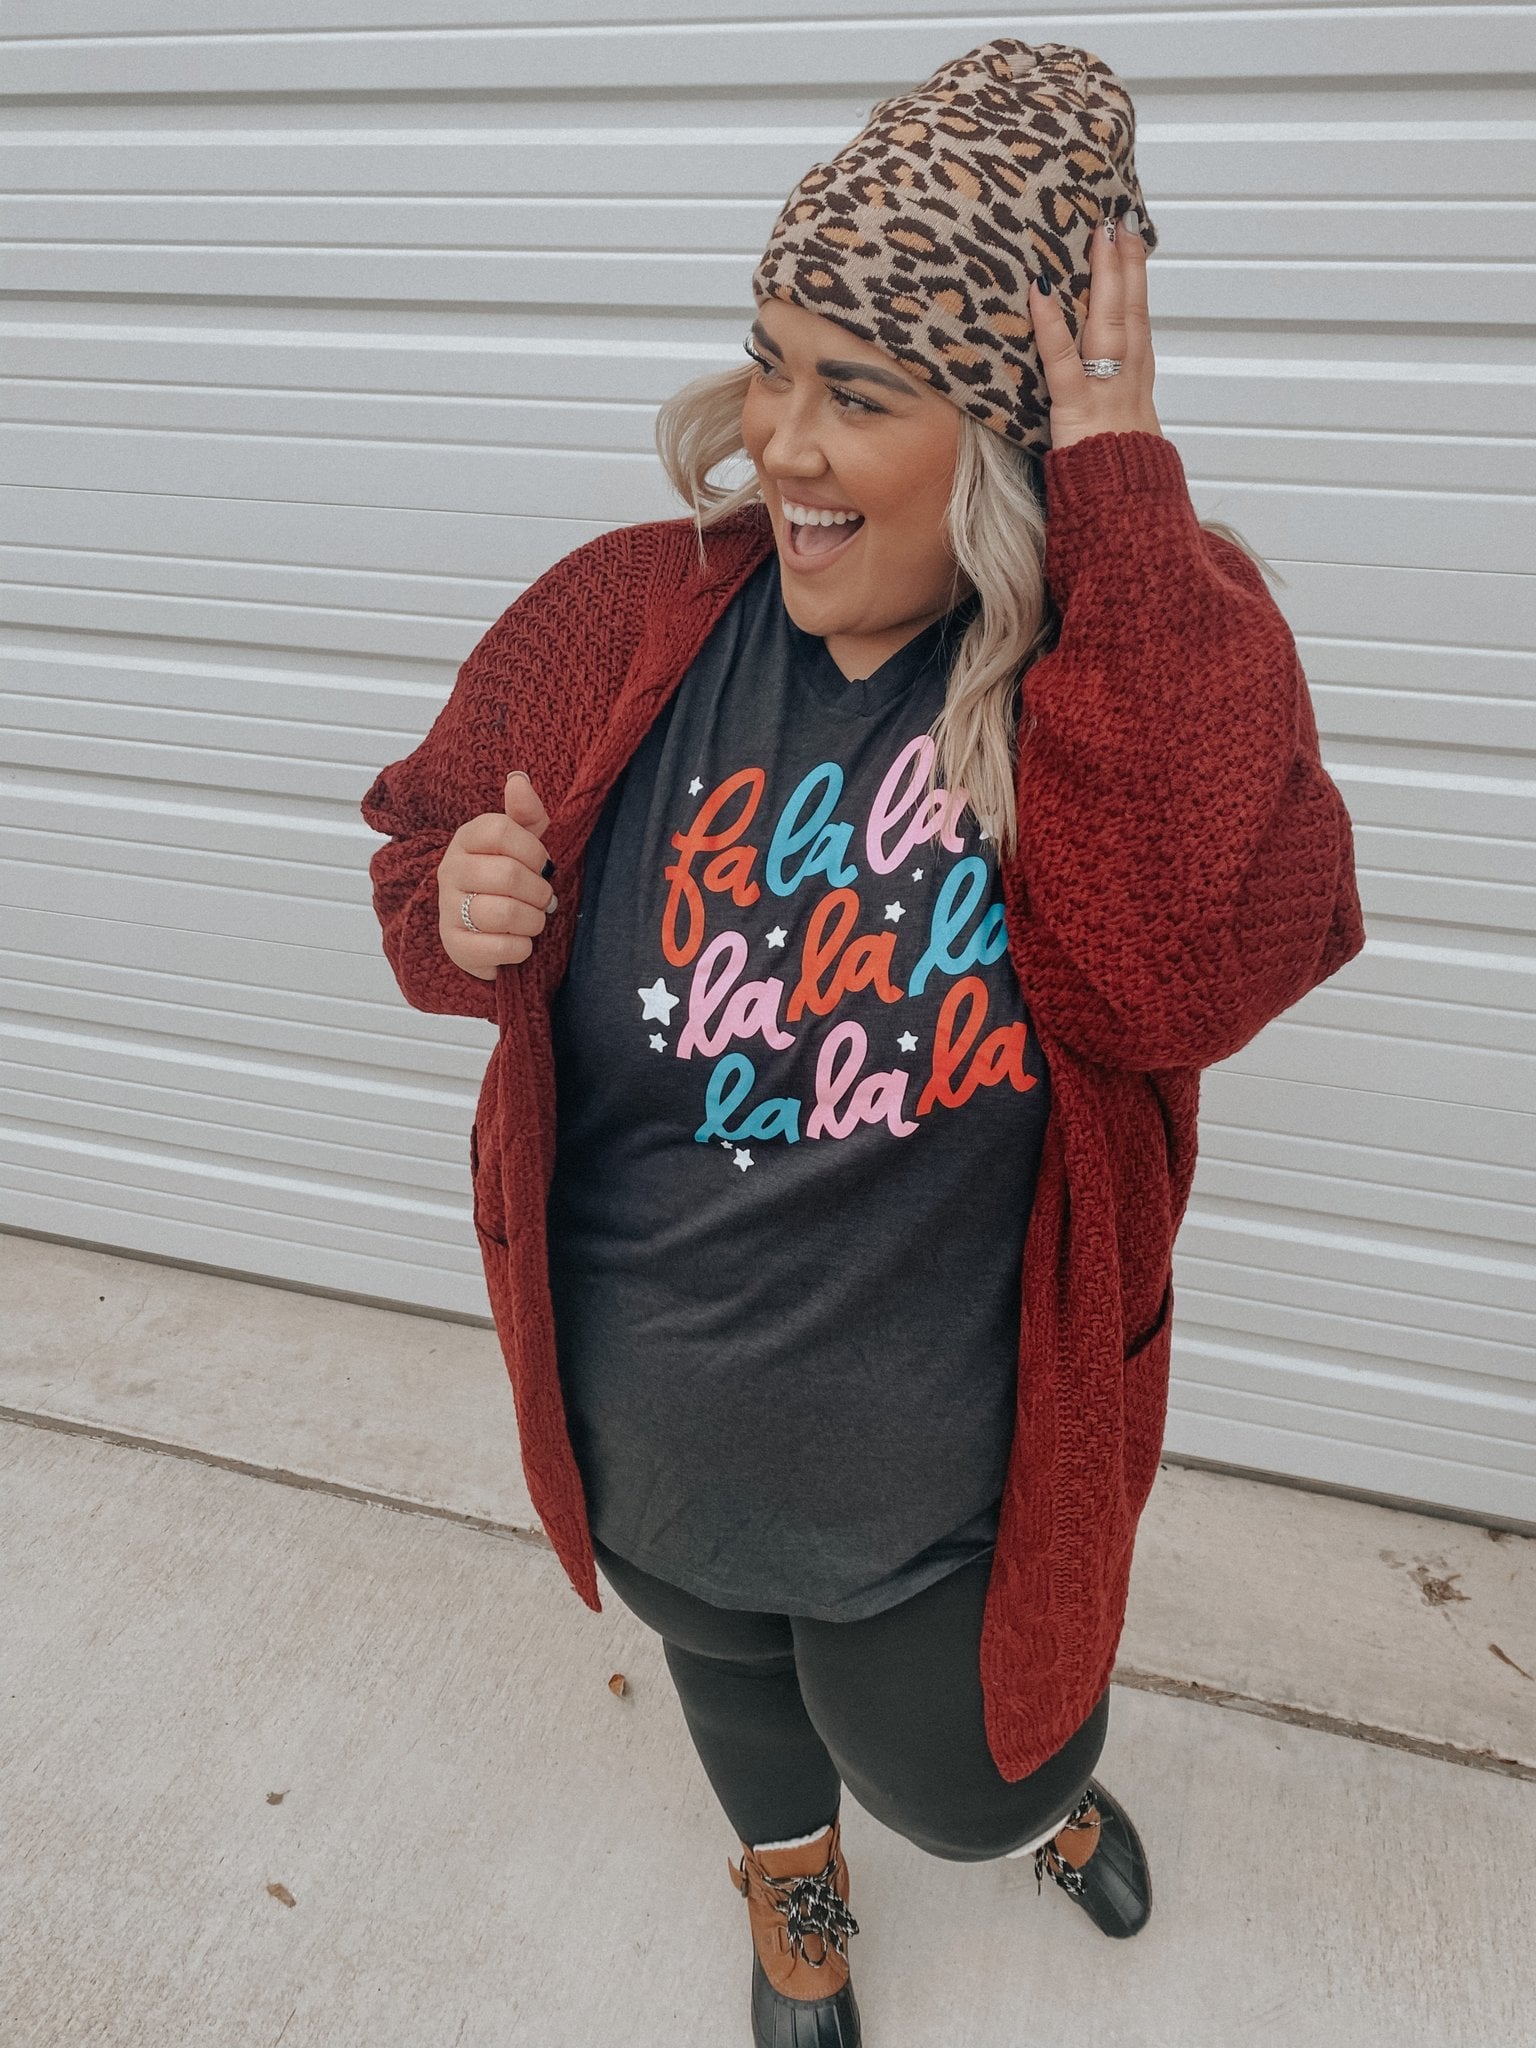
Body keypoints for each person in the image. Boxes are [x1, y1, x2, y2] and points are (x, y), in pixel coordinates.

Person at [360, 39, 1366, 2046]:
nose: (781, 448)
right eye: (771, 364)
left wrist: (1121, 505)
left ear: (1004, 438)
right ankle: (792, 1889)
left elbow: (1174, 974)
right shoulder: (622, 619)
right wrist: (454, 905)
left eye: (861, 394)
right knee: (729, 1673)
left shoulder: (1130, 658)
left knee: (971, 1779)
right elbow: (424, 849)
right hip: (650, 1427)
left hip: (945, 1497)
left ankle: (1040, 1803)